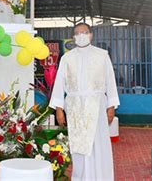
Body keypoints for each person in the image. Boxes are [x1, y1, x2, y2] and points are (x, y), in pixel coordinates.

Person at [49, 23, 120, 181]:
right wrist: (59, 109)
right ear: (73, 37)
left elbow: (110, 81)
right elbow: (60, 83)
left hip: (97, 105)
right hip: (75, 108)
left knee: (99, 144)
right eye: (77, 33)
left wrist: (111, 106)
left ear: (91, 34)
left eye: (84, 32)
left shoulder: (102, 55)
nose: (81, 35)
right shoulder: (67, 58)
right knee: (79, 146)